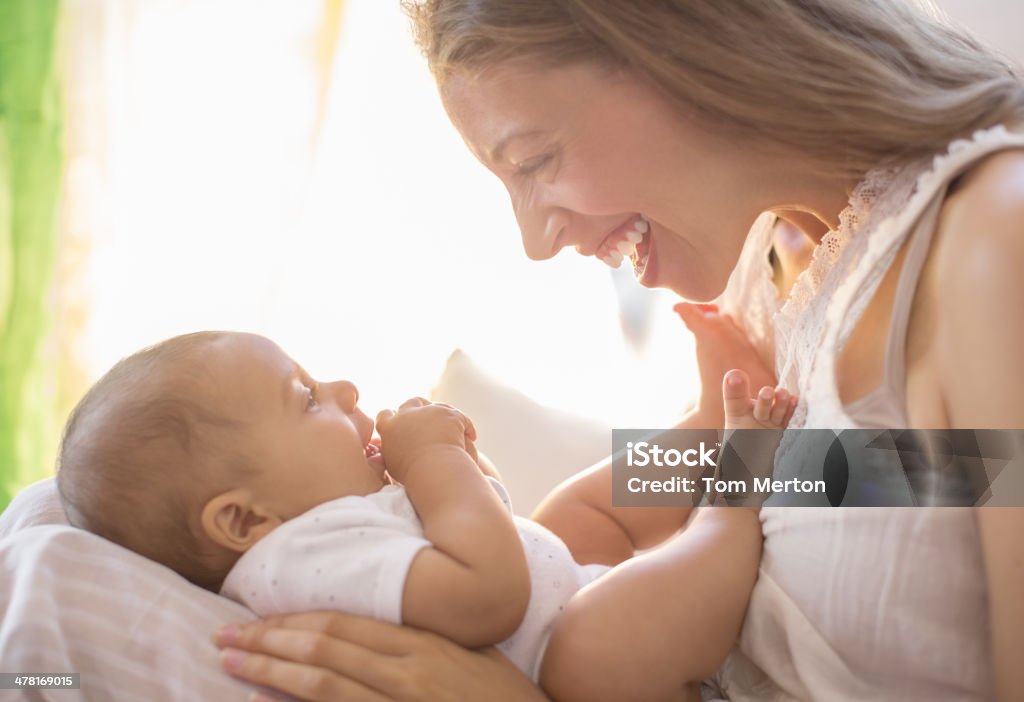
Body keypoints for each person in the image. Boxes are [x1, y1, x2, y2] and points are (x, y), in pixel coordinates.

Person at [211, 1, 1024, 700]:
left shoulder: (995, 245)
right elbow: (827, 476)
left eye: (534, 161)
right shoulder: (773, 268)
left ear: (685, 47)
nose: (535, 240)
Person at [57, 330, 792, 702]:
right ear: (243, 520)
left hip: (589, 616)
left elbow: (894, 468)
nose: (344, 389)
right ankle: (734, 494)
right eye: (308, 398)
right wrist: (439, 464)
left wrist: (463, 474)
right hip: (596, 661)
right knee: (585, 642)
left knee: (570, 522)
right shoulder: (300, 554)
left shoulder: (888, 452)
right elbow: (487, 591)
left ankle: (713, 442)